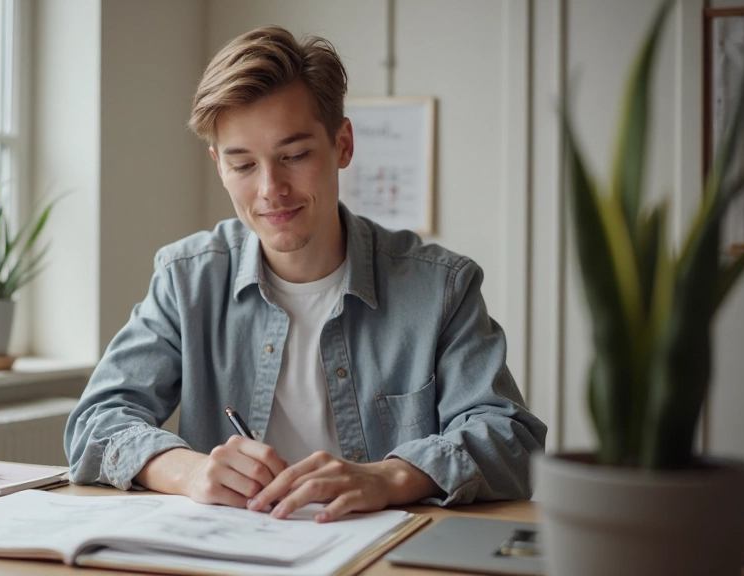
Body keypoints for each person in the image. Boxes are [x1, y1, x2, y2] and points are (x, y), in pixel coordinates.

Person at [65, 25, 547, 523]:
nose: (271, 189)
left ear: (342, 144)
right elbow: (95, 424)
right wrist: (188, 471)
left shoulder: (441, 287)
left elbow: (511, 438)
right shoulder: (186, 280)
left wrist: (389, 476)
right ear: (218, 165)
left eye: (293, 156)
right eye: (243, 164)